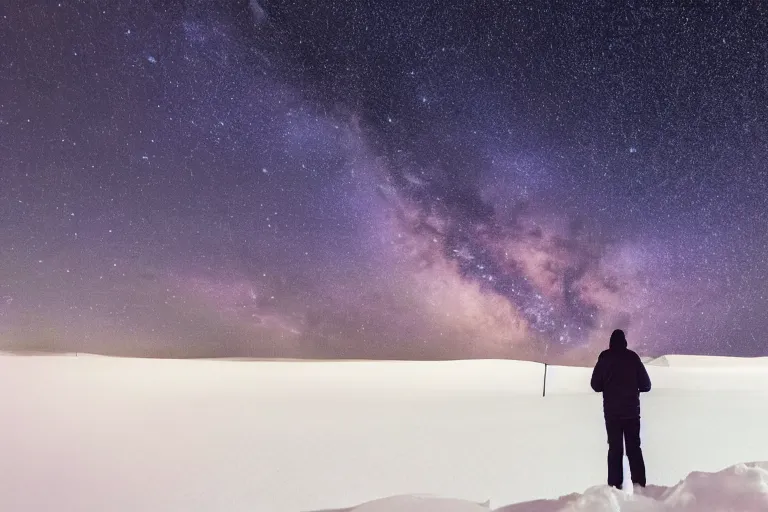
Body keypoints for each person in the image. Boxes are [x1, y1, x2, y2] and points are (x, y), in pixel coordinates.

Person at [590, 329, 652, 491]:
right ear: (625, 342)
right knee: (634, 448)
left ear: (610, 343)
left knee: (615, 449)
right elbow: (646, 385)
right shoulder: (632, 357)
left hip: (612, 414)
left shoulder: (604, 358)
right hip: (631, 413)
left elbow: (595, 385)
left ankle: (615, 488)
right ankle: (640, 487)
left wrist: (609, 385)